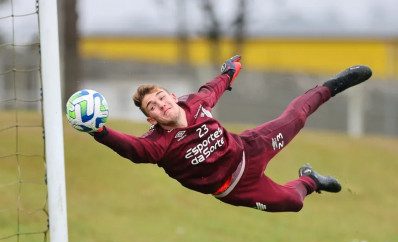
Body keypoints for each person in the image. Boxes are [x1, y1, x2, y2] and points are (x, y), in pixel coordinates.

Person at [91, 55, 372, 212]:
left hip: (250, 149)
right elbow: (131, 149)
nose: (162, 104)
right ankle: (310, 180)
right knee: (294, 202)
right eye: (153, 106)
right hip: (236, 188)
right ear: (151, 118)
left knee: (296, 117)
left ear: (173, 96)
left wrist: (228, 72)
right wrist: (100, 132)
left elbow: (211, 89)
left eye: (162, 97)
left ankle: (333, 85)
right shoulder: (156, 144)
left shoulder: (193, 103)